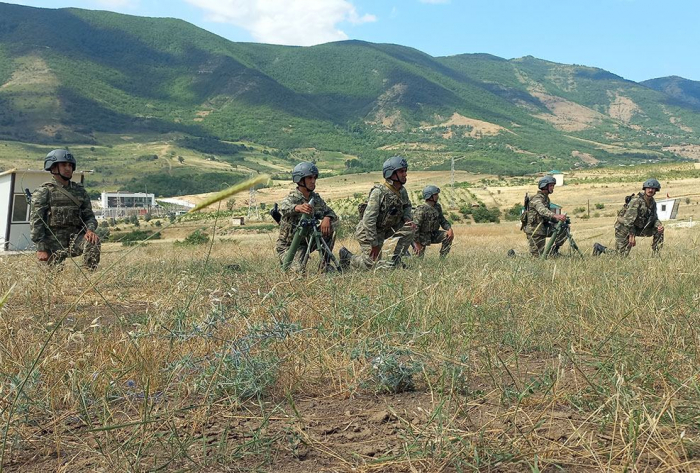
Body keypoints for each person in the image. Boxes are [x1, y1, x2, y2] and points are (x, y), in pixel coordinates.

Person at [339, 156, 416, 269]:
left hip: (385, 230)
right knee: (372, 265)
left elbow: (407, 206)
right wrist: (374, 244)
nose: (405, 174)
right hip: (368, 233)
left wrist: (407, 218)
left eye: (405, 171)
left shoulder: (402, 191)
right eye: (401, 171)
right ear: (391, 174)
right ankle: (348, 258)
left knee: (410, 228)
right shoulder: (378, 193)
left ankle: (397, 260)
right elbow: (368, 221)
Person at [30, 149, 101, 269]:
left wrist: (90, 230)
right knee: (52, 279)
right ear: (53, 168)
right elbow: (36, 222)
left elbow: (89, 217)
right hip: (52, 243)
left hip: (75, 240)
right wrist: (41, 248)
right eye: (63, 165)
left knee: (93, 241)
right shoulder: (44, 192)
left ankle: (89, 277)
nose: (68, 168)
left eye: (70, 165)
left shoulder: (79, 191)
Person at [275, 162, 338, 272]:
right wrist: (297, 208)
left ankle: (324, 264)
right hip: (289, 246)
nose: (313, 181)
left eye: (314, 178)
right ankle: (290, 263)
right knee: (297, 271)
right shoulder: (292, 197)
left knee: (331, 224)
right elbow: (283, 207)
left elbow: (331, 213)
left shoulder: (315, 199)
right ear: (300, 180)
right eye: (309, 178)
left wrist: (327, 218)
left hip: (307, 241)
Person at [593, 179, 664, 256]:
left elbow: (654, 218)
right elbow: (628, 221)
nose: (650, 190)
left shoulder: (652, 202)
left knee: (659, 230)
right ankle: (600, 248)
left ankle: (656, 255)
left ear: (656, 190)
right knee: (621, 256)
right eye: (648, 188)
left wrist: (659, 225)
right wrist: (631, 235)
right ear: (645, 189)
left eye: (653, 189)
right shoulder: (637, 201)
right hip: (624, 228)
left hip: (637, 228)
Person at [522, 175, 567, 257]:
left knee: (564, 227)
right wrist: (556, 216)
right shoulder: (536, 199)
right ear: (544, 186)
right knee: (538, 257)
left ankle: (554, 250)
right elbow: (542, 210)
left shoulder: (546, 198)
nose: (553, 188)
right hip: (535, 231)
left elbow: (547, 216)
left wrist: (558, 220)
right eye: (551, 186)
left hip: (544, 228)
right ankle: (514, 254)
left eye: (553, 186)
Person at [413, 185, 454, 258]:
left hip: (433, 234)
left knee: (448, 236)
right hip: (422, 236)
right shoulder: (421, 209)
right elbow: (415, 228)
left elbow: (442, 220)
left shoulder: (437, 207)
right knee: (418, 259)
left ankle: (442, 260)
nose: (437, 196)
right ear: (430, 196)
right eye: (436, 194)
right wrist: (416, 243)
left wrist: (449, 229)